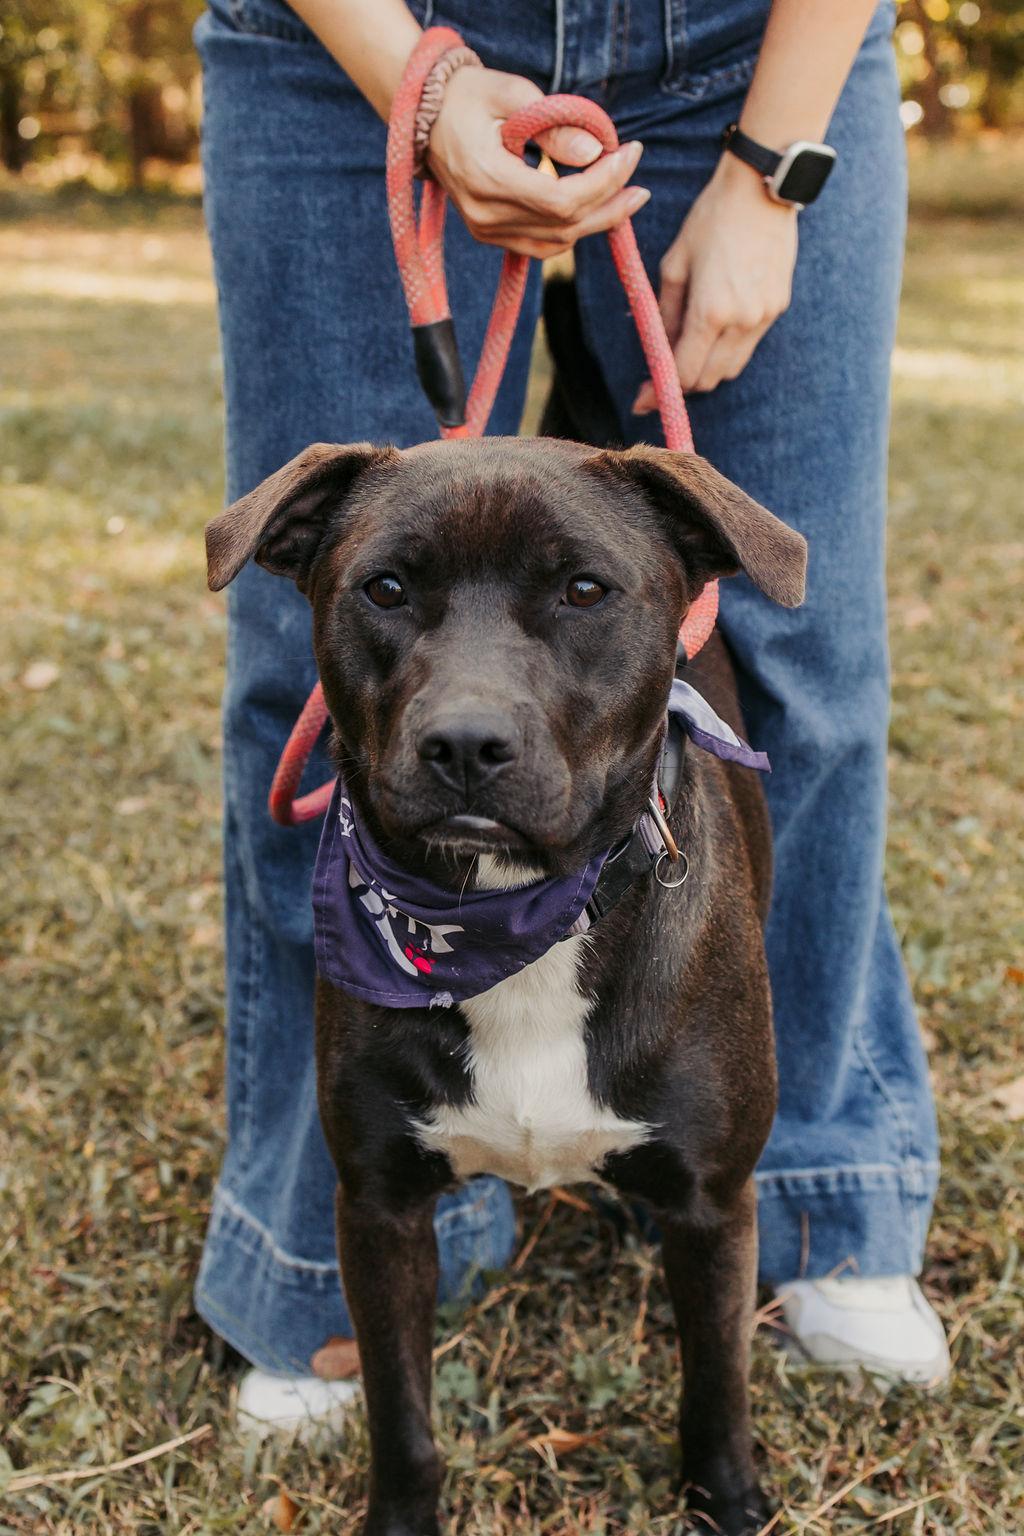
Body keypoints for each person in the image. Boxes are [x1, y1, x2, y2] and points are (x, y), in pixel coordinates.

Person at [192, 0, 950, 1436]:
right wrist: (416, 88)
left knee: (805, 669)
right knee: (310, 684)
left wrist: (774, 166)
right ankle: (328, 1232)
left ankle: (807, 1182)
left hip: (757, 49)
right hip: (349, 47)